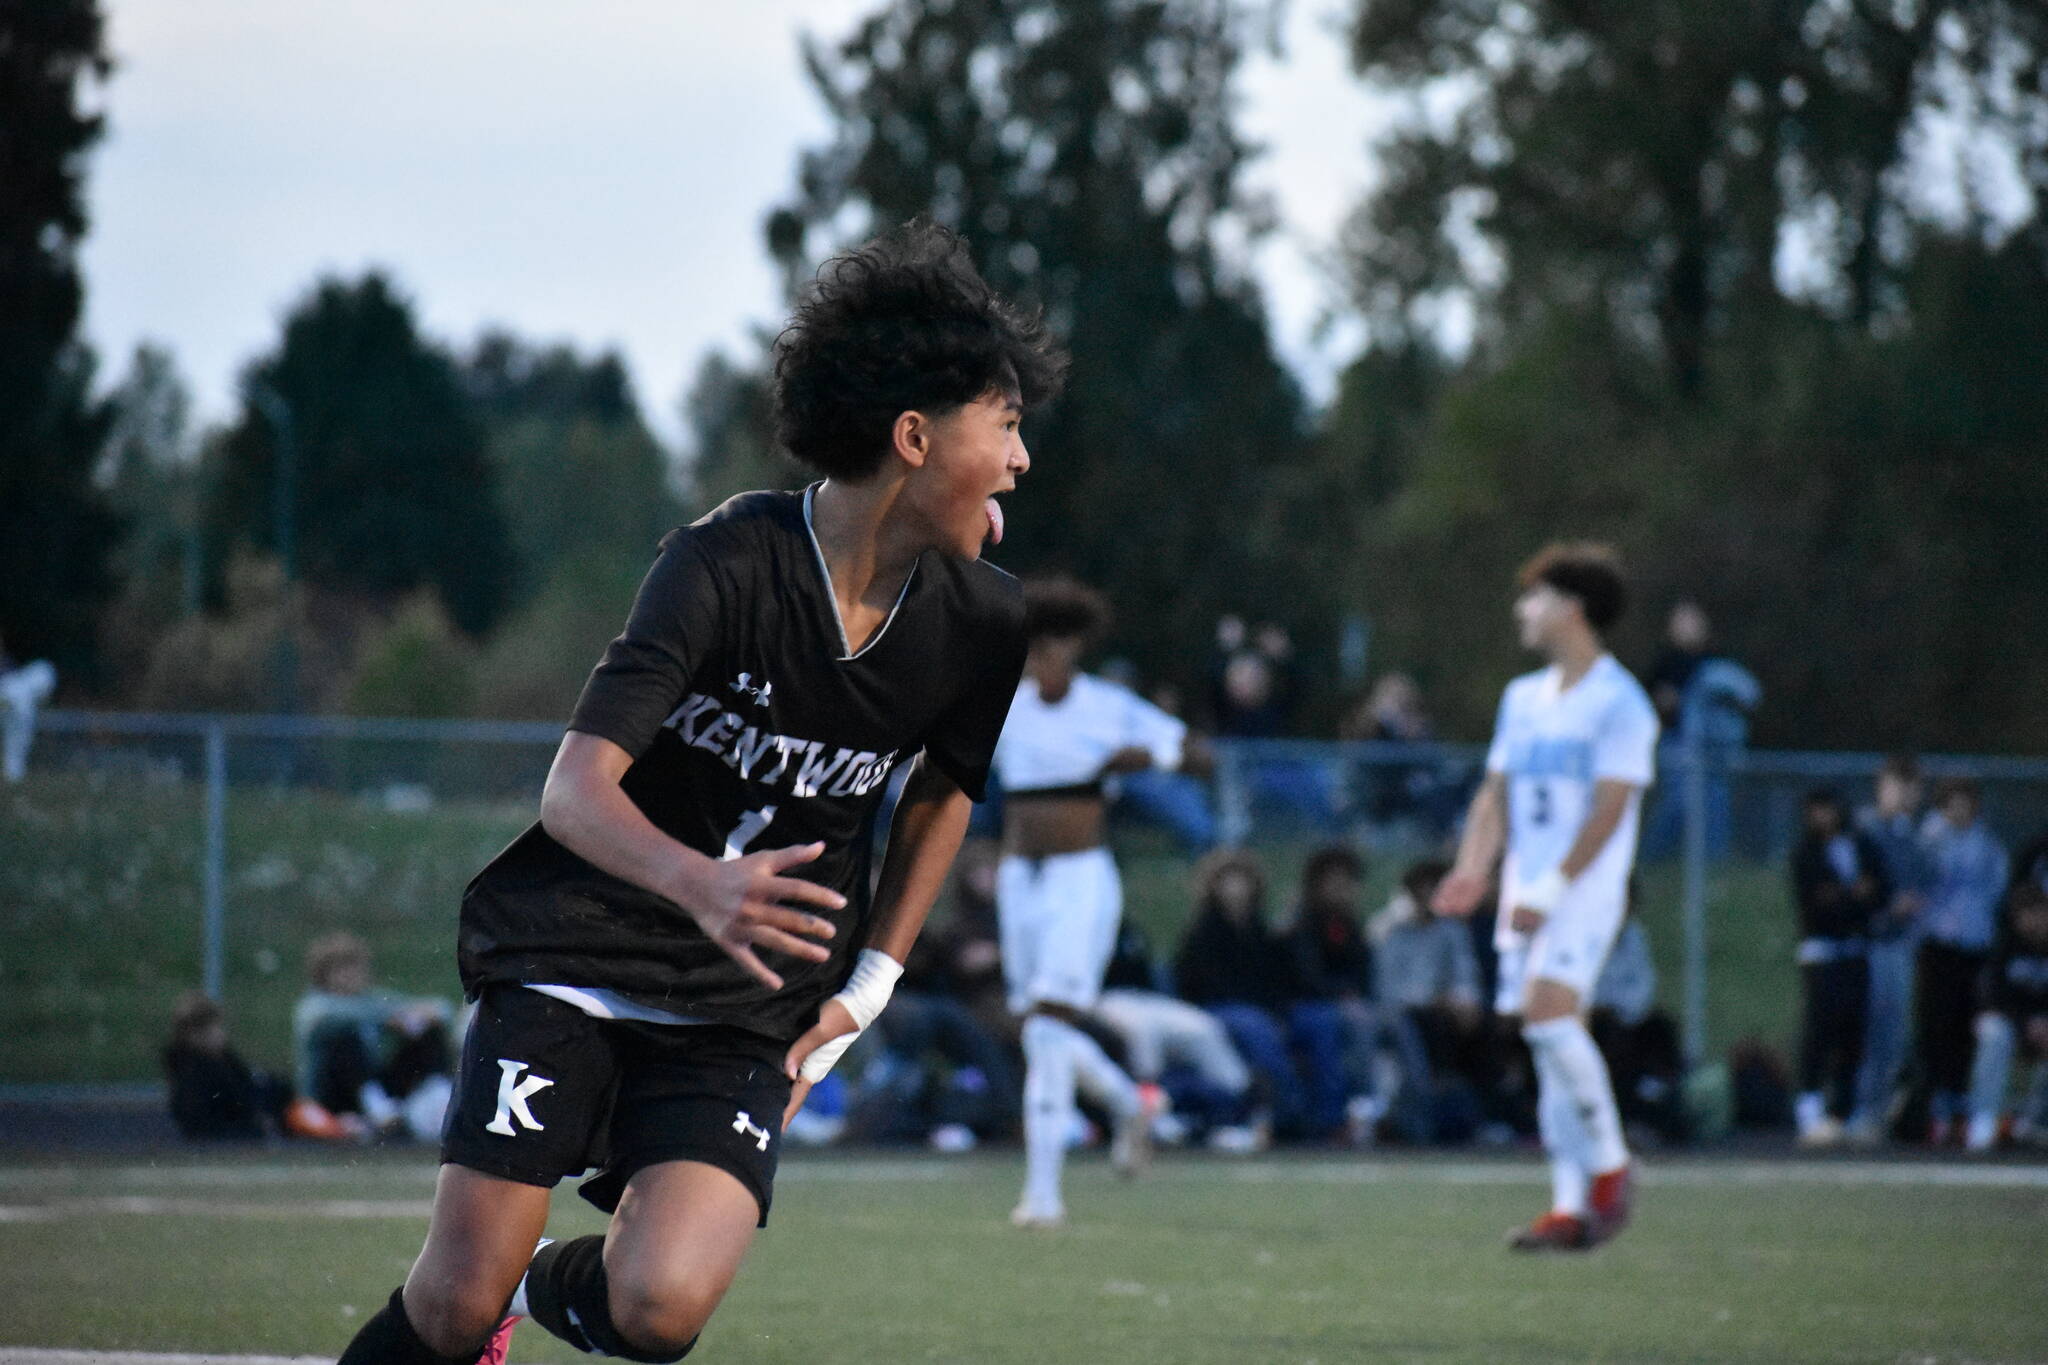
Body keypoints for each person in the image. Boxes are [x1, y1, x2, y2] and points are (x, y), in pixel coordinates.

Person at [334, 220, 1061, 1365]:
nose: (1021, 460)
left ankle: (524, 1297)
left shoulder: (984, 619)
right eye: (1006, 426)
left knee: (661, 1308)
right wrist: (699, 884)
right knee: (450, 1302)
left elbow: (943, 794)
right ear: (914, 436)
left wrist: (866, 986)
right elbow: (574, 792)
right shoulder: (724, 563)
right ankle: (478, 1313)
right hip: (577, 952)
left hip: (742, 1002)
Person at [1434, 542, 1658, 1252]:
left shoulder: (1620, 702)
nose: (1521, 610)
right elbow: (1493, 796)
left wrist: (1555, 885)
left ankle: (1613, 1168)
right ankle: (1568, 1206)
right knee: (1547, 1039)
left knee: (1547, 1016)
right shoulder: (1521, 698)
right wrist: (1474, 867)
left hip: (1584, 889)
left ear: (1573, 607)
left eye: (1535, 597)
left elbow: (1611, 808)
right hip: (1526, 893)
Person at [993, 576, 1198, 1227]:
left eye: (1049, 641)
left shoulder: (1106, 705)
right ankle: (1130, 1103)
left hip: (1079, 876)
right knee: (1037, 1030)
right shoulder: (1000, 703)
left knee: (1051, 1023)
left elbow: (1192, 750)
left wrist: (1135, 759)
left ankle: (1043, 1191)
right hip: (1018, 874)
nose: (1036, 654)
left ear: (1073, 643)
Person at [1789, 789, 1888, 1147]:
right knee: (1820, 1028)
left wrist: (1849, 898)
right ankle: (1809, 1107)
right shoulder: (1806, 854)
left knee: (1853, 1031)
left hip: (1855, 951)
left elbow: (1880, 891)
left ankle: (1843, 1112)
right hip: (1822, 952)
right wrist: (1853, 897)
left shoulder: (1860, 845)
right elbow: (1819, 904)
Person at [293, 931, 457, 1142]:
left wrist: (421, 1015)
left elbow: (442, 1009)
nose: (351, 976)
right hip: (332, 1096)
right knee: (344, 1039)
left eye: (356, 968)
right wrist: (390, 1017)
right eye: (341, 970)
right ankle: (378, 1111)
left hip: (372, 1082)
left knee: (428, 1034)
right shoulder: (314, 1006)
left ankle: (433, 1103)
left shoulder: (371, 999)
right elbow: (335, 1017)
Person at [1916, 777, 2010, 1143]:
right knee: (1935, 1024)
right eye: (1952, 803)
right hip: (1939, 944)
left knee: (1965, 1026)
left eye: (1965, 802)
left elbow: (1997, 890)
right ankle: (1935, 1103)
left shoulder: (1986, 845)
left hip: (1974, 946)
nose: (1959, 810)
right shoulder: (1931, 840)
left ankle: (1959, 1102)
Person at [1371, 858, 1488, 1142]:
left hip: (1446, 1013)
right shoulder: (1391, 933)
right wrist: (1432, 1000)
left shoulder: (1452, 932)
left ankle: (1485, 1119)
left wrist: (1465, 1002)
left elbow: (1466, 976)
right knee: (1420, 1026)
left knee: (1483, 1029)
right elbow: (1387, 990)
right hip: (1405, 1015)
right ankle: (1422, 1117)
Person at [1847, 754, 1932, 1145]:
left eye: (1911, 789)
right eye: (1897, 787)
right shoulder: (1865, 831)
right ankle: (1861, 1110)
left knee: (1894, 1031)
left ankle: (1880, 1110)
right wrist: (1886, 903)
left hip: (1901, 944)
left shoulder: (1913, 837)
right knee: (1870, 1027)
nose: (1904, 797)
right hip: (1870, 942)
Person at [1965, 883, 2048, 1151]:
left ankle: (2037, 1122)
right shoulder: (2006, 947)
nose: (2030, 921)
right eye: (2023, 915)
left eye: (2036, 913)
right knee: (1992, 1030)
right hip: (2017, 1025)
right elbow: (1992, 996)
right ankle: (1984, 1122)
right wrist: (2026, 1023)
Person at [162, 990, 292, 1141]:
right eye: (215, 1028)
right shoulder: (192, 1073)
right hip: (222, 1140)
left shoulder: (225, 1061)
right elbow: (205, 1121)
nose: (221, 1034)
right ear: (194, 1034)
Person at [0, 634, 58, 783]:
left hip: (15, 698)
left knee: (43, 671)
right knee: (19, 699)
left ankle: (13, 702)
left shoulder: (7, 663)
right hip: (11, 697)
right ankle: (12, 702)